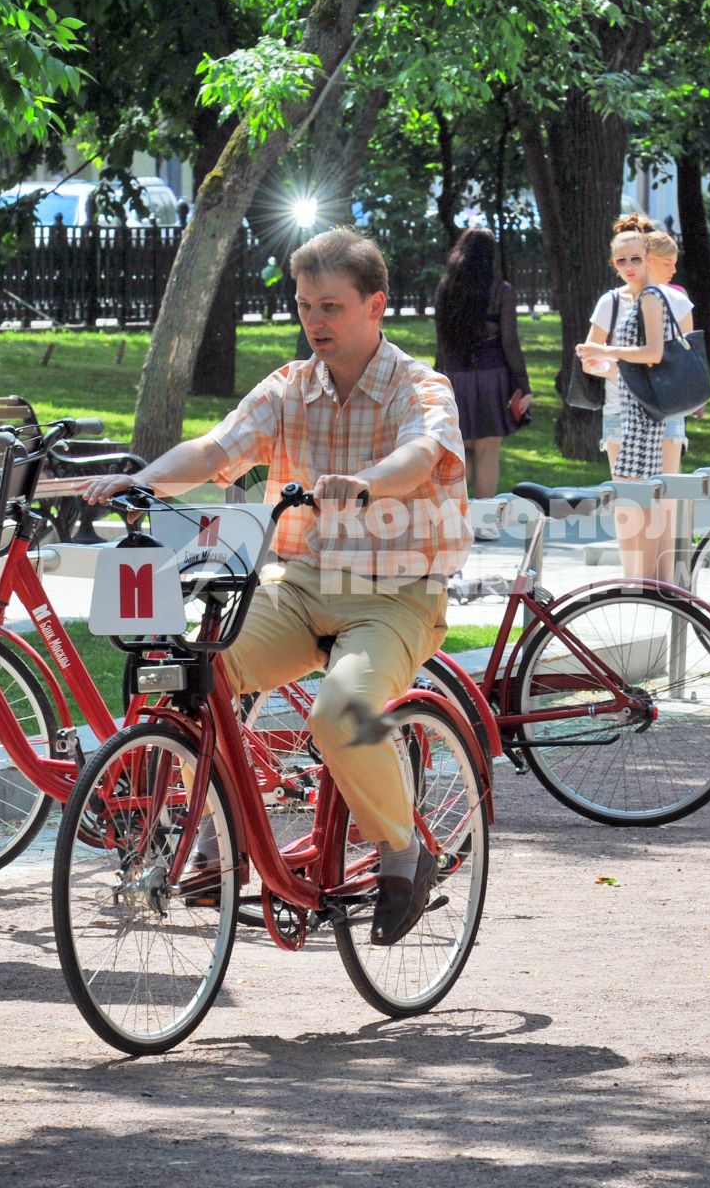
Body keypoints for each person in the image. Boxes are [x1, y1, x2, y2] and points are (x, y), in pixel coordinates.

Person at [82, 227, 469, 946]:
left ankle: (402, 849)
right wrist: (139, 479)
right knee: (191, 677)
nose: (314, 322)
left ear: (376, 305)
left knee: (343, 712)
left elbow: (423, 453)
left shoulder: (419, 386)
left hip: (396, 593)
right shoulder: (290, 387)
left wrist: (366, 483)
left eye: (331, 306)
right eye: (304, 307)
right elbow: (215, 448)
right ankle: (217, 837)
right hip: (297, 585)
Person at [578, 221, 676, 580]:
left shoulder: (651, 297)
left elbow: (653, 353)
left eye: (636, 258)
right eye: (621, 261)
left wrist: (606, 351)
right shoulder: (617, 300)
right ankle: (640, 580)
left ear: (649, 258)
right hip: (627, 409)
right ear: (613, 264)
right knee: (632, 500)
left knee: (645, 501)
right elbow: (601, 363)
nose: (629, 266)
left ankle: (647, 582)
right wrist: (605, 360)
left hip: (645, 415)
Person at [585, 214, 694, 476]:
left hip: (665, 410)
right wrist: (618, 371)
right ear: (651, 260)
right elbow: (589, 359)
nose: (673, 270)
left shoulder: (676, 300)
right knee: (627, 503)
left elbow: (686, 360)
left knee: (666, 501)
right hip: (620, 411)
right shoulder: (610, 302)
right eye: (668, 263)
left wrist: (615, 358)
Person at [433, 226, 531, 502]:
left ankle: (459, 521)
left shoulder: (445, 288)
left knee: (460, 451)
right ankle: (484, 520)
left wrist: (437, 379)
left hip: (454, 376)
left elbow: (441, 339)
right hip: (492, 377)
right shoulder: (502, 291)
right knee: (488, 451)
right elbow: (510, 343)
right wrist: (523, 385)